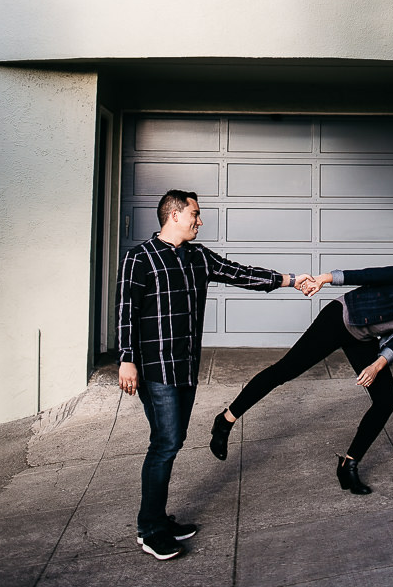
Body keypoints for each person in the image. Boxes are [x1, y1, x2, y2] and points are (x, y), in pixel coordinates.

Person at [117, 189, 314, 561]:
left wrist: (289, 279)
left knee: (171, 441)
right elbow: (126, 309)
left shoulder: (197, 256)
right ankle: (149, 529)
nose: (200, 220)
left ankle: (159, 517)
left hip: (186, 365)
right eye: (195, 213)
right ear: (174, 215)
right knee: (166, 443)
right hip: (155, 367)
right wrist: (126, 359)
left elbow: (240, 273)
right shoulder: (139, 257)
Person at [209, 250, 393, 493]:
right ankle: (226, 420)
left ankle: (349, 464)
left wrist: (378, 363)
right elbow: (367, 275)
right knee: (284, 371)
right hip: (341, 318)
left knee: (386, 400)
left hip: (363, 339)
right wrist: (323, 278)